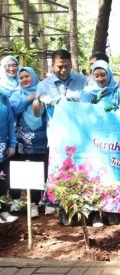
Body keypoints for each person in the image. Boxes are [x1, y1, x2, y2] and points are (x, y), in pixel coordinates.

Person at [32, 49, 87, 226]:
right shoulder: (44, 85)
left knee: (81, 172)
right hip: (57, 138)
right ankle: (63, 211)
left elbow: (89, 105)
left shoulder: (81, 80)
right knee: (61, 174)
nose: (63, 70)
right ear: (52, 65)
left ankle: (83, 210)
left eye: (67, 66)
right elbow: (37, 113)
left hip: (81, 136)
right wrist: (39, 100)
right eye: (60, 66)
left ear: (71, 64)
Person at [80, 60, 120, 227]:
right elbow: (82, 113)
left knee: (112, 175)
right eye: (96, 75)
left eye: (103, 75)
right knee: (94, 174)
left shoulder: (118, 90)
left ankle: (111, 211)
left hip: (112, 140)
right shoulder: (87, 92)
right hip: (92, 140)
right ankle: (95, 214)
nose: (100, 79)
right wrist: (95, 101)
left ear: (109, 74)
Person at [10, 67, 48, 218]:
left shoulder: (43, 91)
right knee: (24, 168)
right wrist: (27, 100)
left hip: (42, 138)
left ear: (34, 76)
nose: (24, 79)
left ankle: (37, 202)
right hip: (22, 141)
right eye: (21, 77)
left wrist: (39, 98)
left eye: (27, 76)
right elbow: (12, 110)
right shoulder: (16, 94)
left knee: (40, 169)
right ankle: (21, 201)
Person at [0, 92, 18, 223]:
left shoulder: (3, 97)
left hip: (3, 147)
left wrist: (12, 144)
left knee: (2, 180)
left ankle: (3, 211)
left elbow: (11, 122)